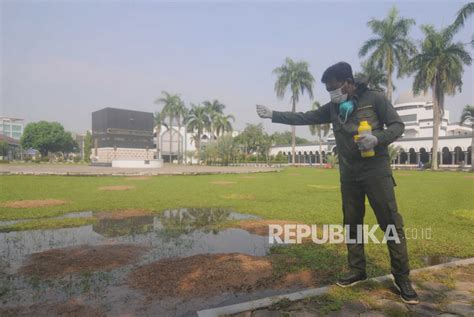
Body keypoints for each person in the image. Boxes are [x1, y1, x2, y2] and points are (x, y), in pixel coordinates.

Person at [256, 62, 419, 304]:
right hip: (349, 175)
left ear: (348, 83)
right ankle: (357, 270)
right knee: (352, 223)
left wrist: (377, 138)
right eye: (328, 90)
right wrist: (273, 115)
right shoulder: (333, 107)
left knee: (390, 223)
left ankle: (402, 278)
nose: (332, 93)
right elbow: (306, 117)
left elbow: (398, 126)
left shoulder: (375, 99)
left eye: (334, 88)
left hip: (376, 173)